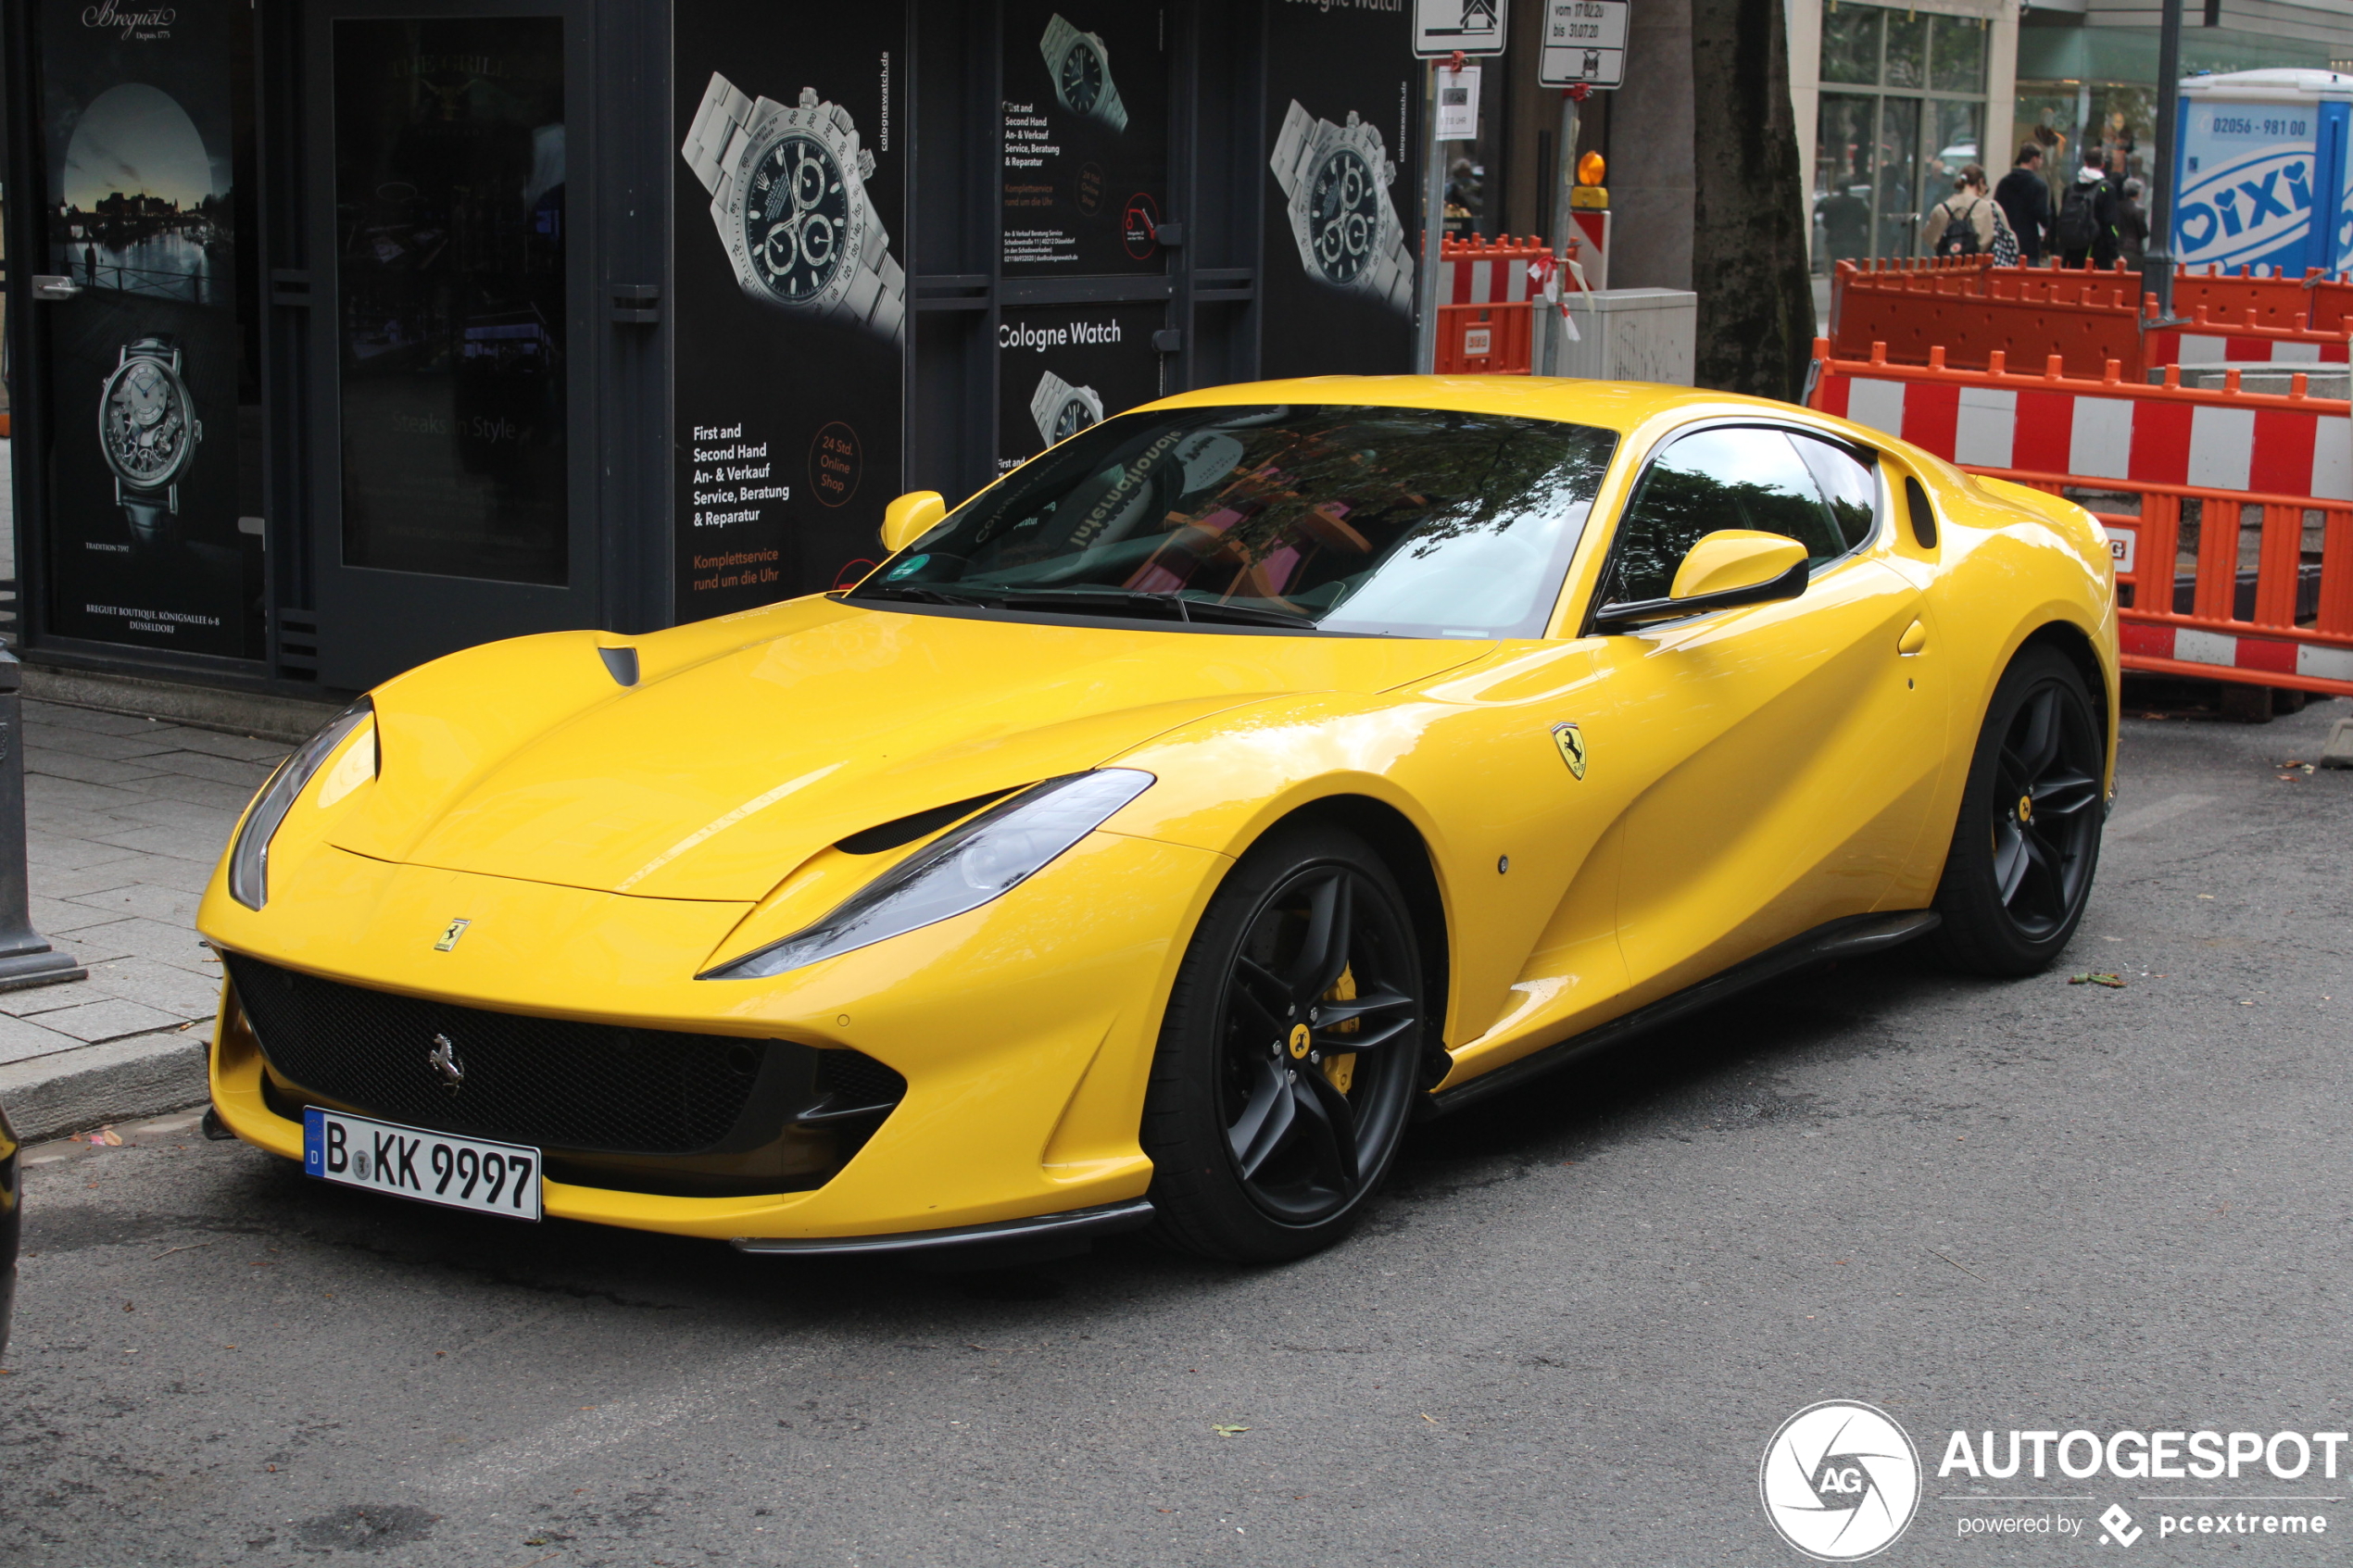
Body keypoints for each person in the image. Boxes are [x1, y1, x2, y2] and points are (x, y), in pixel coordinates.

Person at [1922, 165, 1999, 259]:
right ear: (1981, 182)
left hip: (1945, 268)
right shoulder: (1984, 207)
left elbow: (1929, 236)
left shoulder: (1940, 209)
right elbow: (1986, 240)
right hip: (1974, 269)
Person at [1994, 145, 2054, 264]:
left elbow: (1996, 209)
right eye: (2041, 159)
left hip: (2005, 243)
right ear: (2034, 159)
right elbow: (2042, 214)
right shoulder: (2038, 186)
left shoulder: (2004, 183)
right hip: (2028, 242)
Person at [2056, 159, 2120, 268]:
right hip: (2096, 252)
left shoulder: (2070, 188)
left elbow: (2061, 219)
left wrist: (2058, 251)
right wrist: (2115, 254)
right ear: (2103, 165)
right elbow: (2108, 224)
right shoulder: (2106, 189)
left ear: (2085, 163)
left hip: (2070, 252)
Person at [2116, 176, 2149, 269]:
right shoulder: (2138, 210)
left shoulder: (2117, 206)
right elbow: (2143, 232)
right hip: (2134, 250)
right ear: (2137, 193)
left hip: (2118, 247)